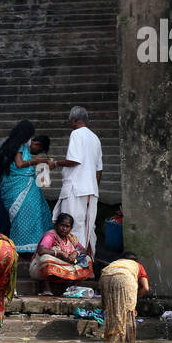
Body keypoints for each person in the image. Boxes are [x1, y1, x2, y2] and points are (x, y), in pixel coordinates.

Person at [53, 106, 103, 254]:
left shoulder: (76, 134)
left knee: (69, 226)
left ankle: (73, 263)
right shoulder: (95, 138)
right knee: (88, 227)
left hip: (76, 189)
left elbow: (74, 160)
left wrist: (56, 163)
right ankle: (88, 263)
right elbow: (99, 169)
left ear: (74, 120)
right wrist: (93, 187)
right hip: (91, 191)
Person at [0, 119, 34, 237]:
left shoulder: (16, 142)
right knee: (2, 203)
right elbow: (16, 165)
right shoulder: (14, 144)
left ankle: (3, 233)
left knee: (5, 203)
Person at [4, 134, 56, 252]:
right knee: (24, 216)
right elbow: (19, 164)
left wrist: (40, 165)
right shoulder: (20, 145)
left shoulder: (25, 149)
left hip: (28, 187)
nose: (37, 153)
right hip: (17, 186)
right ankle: (22, 246)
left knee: (38, 213)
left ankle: (39, 245)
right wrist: (36, 161)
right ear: (36, 144)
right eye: (39, 150)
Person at [29, 212, 93, 295]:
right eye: (62, 225)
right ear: (56, 225)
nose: (64, 229)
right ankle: (46, 287)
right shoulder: (50, 235)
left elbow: (84, 250)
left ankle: (71, 287)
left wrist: (76, 253)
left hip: (65, 267)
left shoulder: (71, 238)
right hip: (38, 269)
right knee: (46, 258)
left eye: (67, 227)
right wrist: (59, 253)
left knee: (87, 260)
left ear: (71, 228)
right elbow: (41, 250)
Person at [100, 252, 150, 343]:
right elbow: (146, 288)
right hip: (125, 278)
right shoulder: (137, 265)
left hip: (105, 276)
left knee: (112, 310)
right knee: (127, 311)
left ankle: (111, 341)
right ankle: (125, 342)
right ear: (135, 261)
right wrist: (134, 298)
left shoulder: (115, 263)